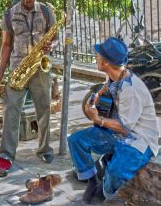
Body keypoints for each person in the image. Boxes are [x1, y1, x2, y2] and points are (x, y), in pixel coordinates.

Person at [67, 37, 159, 204]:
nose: (96, 58)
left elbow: (125, 128)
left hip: (139, 140)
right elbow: (106, 85)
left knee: (114, 174)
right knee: (76, 140)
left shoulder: (130, 89)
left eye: (98, 56)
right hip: (118, 133)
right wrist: (96, 97)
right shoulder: (116, 75)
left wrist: (98, 119)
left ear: (106, 62)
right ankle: (92, 181)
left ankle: (109, 195)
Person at [0, 0, 57, 163]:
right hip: (17, 68)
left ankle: (44, 149)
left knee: (44, 109)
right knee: (11, 110)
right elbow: (6, 45)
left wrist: (51, 47)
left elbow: (55, 38)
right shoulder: (9, 14)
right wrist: (0, 74)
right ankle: (6, 153)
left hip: (40, 68)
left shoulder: (46, 11)